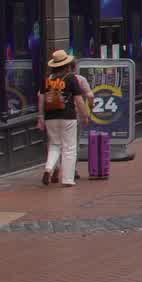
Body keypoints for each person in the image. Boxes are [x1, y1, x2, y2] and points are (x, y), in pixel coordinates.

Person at [37, 50, 90, 187]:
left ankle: (48, 169)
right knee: (69, 148)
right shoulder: (71, 78)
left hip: (50, 117)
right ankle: (67, 179)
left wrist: (41, 116)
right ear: (67, 64)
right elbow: (78, 100)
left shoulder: (47, 79)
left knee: (55, 145)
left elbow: (41, 99)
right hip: (68, 116)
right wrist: (85, 115)